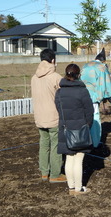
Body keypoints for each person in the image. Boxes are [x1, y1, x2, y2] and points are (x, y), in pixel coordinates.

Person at [55, 64, 94, 195]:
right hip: (80, 129)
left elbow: (59, 110)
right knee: (78, 159)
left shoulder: (59, 92)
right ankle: (79, 188)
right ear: (78, 75)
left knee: (69, 158)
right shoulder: (82, 91)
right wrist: (87, 125)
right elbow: (89, 111)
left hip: (65, 128)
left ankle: (71, 187)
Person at [31, 49, 66, 183]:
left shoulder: (34, 78)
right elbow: (63, 97)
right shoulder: (56, 77)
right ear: (53, 60)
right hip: (53, 118)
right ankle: (55, 174)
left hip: (39, 117)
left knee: (44, 145)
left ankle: (44, 172)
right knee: (55, 145)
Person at [80, 47, 111, 148]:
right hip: (93, 98)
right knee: (94, 119)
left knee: (84, 118)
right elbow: (108, 83)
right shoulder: (102, 67)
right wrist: (110, 96)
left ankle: (82, 139)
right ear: (103, 60)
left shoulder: (85, 65)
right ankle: (94, 143)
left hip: (81, 96)